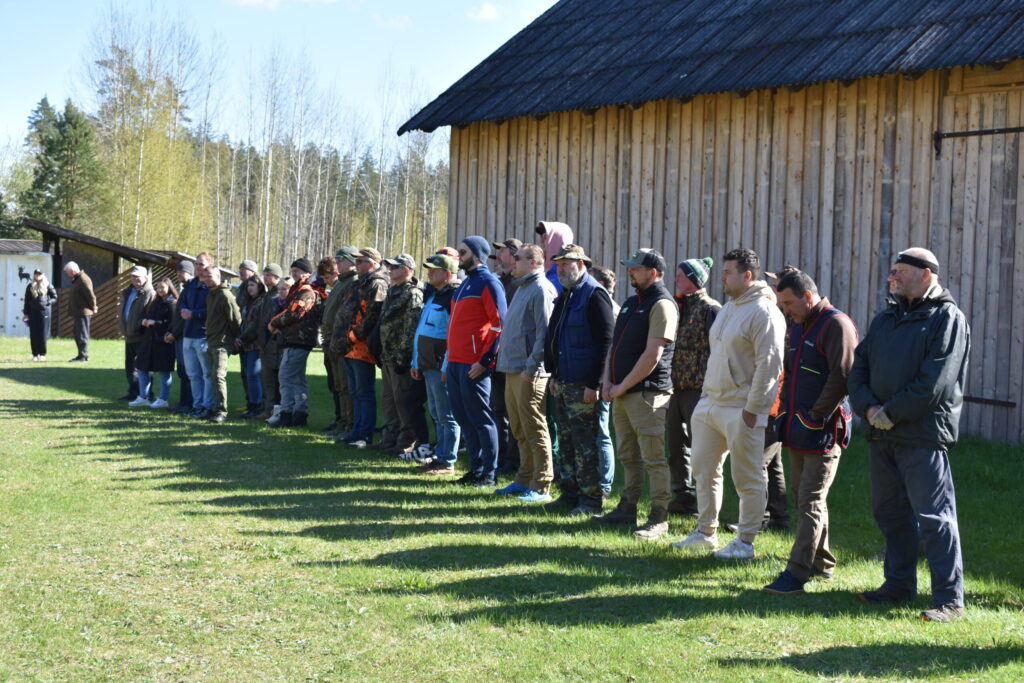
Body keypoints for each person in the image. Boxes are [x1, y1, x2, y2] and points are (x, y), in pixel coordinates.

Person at [848, 247, 970, 623]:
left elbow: (935, 382)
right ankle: (898, 584)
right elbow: (859, 368)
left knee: (934, 518)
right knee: (890, 513)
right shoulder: (887, 318)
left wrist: (890, 413)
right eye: (892, 271)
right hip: (881, 433)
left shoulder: (947, 318)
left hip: (922, 435)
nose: (893, 277)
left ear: (927, 275)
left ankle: (950, 600)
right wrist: (868, 408)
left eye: (901, 271)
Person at [673, 248, 786, 559]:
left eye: (728, 272)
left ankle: (745, 542)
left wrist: (754, 408)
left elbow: (770, 364)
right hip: (711, 403)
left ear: (747, 275)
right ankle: (705, 532)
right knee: (703, 470)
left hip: (742, 408)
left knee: (748, 476)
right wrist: (706, 398)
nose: (721, 277)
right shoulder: (728, 309)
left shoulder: (765, 312)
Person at [762, 269, 858, 595]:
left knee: (810, 502)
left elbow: (842, 376)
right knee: (806, 496)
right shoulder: (799, 325)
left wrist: (815, 417)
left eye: (788, 302)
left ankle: (796, 573)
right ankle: (822, 563)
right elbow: (790, 373)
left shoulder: (836, 325)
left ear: (808, 295)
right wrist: (787, 414)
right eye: (781, 303)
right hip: (798, 427)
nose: (784, 309)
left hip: (823, 431)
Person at [595, 248, 677, 540]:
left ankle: (659, 516)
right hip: (621, 391)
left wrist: (622, 385)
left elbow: (652, 355)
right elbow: (614, 347)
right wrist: (606, 382)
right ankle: (627, 508)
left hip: (647, 394)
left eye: (636, 268)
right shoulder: (631, 303)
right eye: (629, 268)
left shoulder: (662, 305)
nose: (630, 272)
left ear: (652, 273)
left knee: (653, 458)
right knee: (628, 454)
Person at [544, 245, 614, 515]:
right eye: (559, 264)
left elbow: (605, 342)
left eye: (567, 264)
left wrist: (595, 384)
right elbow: (557, 338)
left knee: (585, 444)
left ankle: (591, 501)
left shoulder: (594, 294)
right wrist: (554, 374)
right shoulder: (567, 294)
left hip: (584, 384)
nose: (561, 269)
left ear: (582, 264)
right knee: (567, 441)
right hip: (563, 381)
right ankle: (569, 494)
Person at [494, 243, 557, 503]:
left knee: (534, 427)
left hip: (529, 372)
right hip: (512, 368)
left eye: (517, 258)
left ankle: (541, 484)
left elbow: (545, 334)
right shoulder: (522, 287)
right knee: (519, 428)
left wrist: (532, 368)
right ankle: (524, 478)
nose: (512, 262)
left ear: (534, 262)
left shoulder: (541, 289)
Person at [446, 236, 507, 487]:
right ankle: (476, 469)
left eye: (463, 251)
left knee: (481, 419)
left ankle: (489, 475)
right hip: (455, 363)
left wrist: (486, 360)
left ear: (477, 255)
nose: (458, 255)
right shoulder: (464, 284)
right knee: (464, 418)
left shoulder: (489, 282)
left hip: (475, 364)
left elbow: (499, 324)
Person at [666, 257, 721, 517]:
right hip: (674, 388)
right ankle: (682, 496)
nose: (676, 279)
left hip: (698, 390)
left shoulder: (711, 309)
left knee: (700, 448)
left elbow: (718, 351)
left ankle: (704, 501)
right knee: (675, 446)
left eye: (681, 275)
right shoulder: (676, 306)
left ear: (694, 280)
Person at [411, 253, 461, 475]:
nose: (429, 272)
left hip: (441, 366)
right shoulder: (433, 296)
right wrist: (416, 361)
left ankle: (447, 460)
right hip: (427, 364)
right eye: (429, 269)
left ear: (448, 274)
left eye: (435, 269)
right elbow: (422, 331)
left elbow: (453, 336)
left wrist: (446, 367)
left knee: (446, 415)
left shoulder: (452, 299)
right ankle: (439, 456)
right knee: (436, 412)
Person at [332, 248, 388, 447]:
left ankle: (364, 436)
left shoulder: (377, 283)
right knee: (355, 392)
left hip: (361, 347)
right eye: (356, 261)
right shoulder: (359, 282)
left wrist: (353, 336)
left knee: (364, 394)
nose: (357, 264)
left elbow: (372, 315)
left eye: (362, 261)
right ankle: (356, 432)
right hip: (349, 347)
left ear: (373, 263)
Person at [377, 253, 426, 456]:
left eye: (395, 267)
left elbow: (410, 327)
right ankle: (390, 438)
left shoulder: (412, 293)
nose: (390, 270)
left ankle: (407, 441)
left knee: (402, 401)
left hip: (399, 356)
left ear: (407, 270)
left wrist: (403, 357)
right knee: (389, 400)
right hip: (387, 354)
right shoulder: (392, 290)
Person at [268, 258, 321, 428]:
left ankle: (286, 413)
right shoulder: (298, 290)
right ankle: (299, 413)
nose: (294, 274)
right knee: (297, 379)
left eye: (297, 271)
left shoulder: (306, 291)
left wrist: (274, 323)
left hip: (298, 340)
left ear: (307, 273)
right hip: (295, 339)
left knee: (286, 377)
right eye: (293, 271)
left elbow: (293, 313)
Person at [489, 237, 523, 477]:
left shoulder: (520, 284)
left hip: (515, 358)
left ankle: (514, 461)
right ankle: (501, 457)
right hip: (498, 357)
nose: (498, 258)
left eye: (502, 253)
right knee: (499, 409)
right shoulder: (501, 283)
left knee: (514, 414)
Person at [322, 247, 360, 436]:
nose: (337, 262)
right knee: (338, 385)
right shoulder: (341, 283)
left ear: (350, 260)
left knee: (345, 386)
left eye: (340, 258)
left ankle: (349, 424)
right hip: (332, 340)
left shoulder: (352, 282)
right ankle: (342, 421)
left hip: (342, 341)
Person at [588, 264, 618, 497]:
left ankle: (605, 484)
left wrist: (602, 381)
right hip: (595, 377)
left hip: (603, 379)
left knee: (601, 430)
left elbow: (608, 348)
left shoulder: (610, 308)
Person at [202, 259, 241, 424]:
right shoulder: (211, 295)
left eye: (210, 276)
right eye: (205, 277)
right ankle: (213, 408)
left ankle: (221, 411)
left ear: (218, 276)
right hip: (211, 341)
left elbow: (236, 319)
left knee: (218, 376)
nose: (207, 279)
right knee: (212, 376)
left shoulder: (225, 295)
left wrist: (237, 338)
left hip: (222, 342)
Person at [133, 277, 178, 408]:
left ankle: (163, 399)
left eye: (163, 287)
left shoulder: (172, 304)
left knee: (164, 371)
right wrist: (144, 321)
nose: (159, 290)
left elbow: (171, 324)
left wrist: (154, 323)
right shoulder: (156, 303)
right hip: (149, 342)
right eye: (157, 287)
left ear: (169, 288)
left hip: (164, 342)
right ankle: (143, 396)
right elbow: (144, 316)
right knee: (142, 368)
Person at [180, 252, 213, 418]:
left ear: (209, 265)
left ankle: (207, 406)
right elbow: (183, 303)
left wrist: (194, 314)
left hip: (202, 334)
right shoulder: (191, 284)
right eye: (196, 263)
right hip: (188, 334)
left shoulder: (210, 286)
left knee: (207, 373)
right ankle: (196, 404)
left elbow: (212, 311)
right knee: (193, 374)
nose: (198, 266)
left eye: (201, 264)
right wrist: (184, 312)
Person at [117, 265, 156, 401]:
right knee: (130, 367)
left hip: (142, 336)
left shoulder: (150, 293)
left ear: (145, 277)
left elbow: (151, 314)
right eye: (133, 276)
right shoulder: (129, 292)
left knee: (144, 366)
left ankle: (147, 393)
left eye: (138, 276)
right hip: (129, 336)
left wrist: (142, 329)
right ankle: (134, 392)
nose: (135, 279)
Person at [164, 261, 195, 414]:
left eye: (182, 271)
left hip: (184, 336)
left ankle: (188, 403)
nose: (179, 274)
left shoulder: (191, 290)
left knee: (187, 372)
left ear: (190, 272)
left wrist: (174, 334)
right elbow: (178, 315)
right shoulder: (185, 289)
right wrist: (170, 332)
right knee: (182, 372)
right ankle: (183, 402)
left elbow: (185, 317)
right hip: (179, 336)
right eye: (178, 271)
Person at [235, 276, 267, 418]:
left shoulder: (262, 301)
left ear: (260, 286)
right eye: (248, 285)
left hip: (255, 344)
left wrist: (241, 338)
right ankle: (252, 405)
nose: (249, 288)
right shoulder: (248, 303)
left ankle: (257, 405)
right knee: (248, 375)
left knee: (254, 375)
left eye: (253, 285)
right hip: (245, 344)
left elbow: (256, 325)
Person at [256, 264, 284, 420]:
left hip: (273, 343)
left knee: (274, 380)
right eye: (264, 274)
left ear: (277, 277)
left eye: (269, 274)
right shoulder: (267, 295)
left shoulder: (276, 296)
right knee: (267, 379)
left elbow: (271, 321)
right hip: (265, 343)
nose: (265, 277)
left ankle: (274, 410)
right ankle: (268, 409)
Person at [263, 276, 292, 424]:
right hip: (272, 345)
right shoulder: (274, 303)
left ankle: (285, 411)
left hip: (286, 345)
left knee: (284, 380)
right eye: (279, 289)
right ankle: (273, 411)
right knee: (272, 380)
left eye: (284, 289)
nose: (281, 292)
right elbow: (267, 322)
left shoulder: (293, 305)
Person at [234, 259, 259, 412]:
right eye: (240, 268)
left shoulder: (258, 289)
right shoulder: (241, 288)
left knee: (254, 374)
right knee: (244, 373)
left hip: (253, 339)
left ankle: (256, 404)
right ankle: (249, 401)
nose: (242, 271)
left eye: (245, 269)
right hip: (242, 335)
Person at [22, 268, 57, 361]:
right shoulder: (30, 286)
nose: (37, 275)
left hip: (44, 312)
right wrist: (25, 313)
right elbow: (26, 301)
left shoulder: (48, 285)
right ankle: (35, 354)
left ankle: (42, 354)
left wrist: (48, 302)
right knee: (33, 334)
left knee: (43, 333)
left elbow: (55, 297)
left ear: (42, 275)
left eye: (39, 274)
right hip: (32, 313)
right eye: (35, 274)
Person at [63, 261, 96, 362]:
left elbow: (90, 295)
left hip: (83, 312)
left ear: (72, 271)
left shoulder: (83, 279)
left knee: (82, 334)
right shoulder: (77, 279)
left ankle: (83, 356)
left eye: (68, 272)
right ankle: (80, 355)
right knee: (78, 334)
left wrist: (94, 307)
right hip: (78, 312)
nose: (67, 275)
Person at [535, 221, 573, 294]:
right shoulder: (541, 268)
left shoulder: (565, 273)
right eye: (541, 237)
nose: (540, 241)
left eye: (545, 237)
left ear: (557, 240)